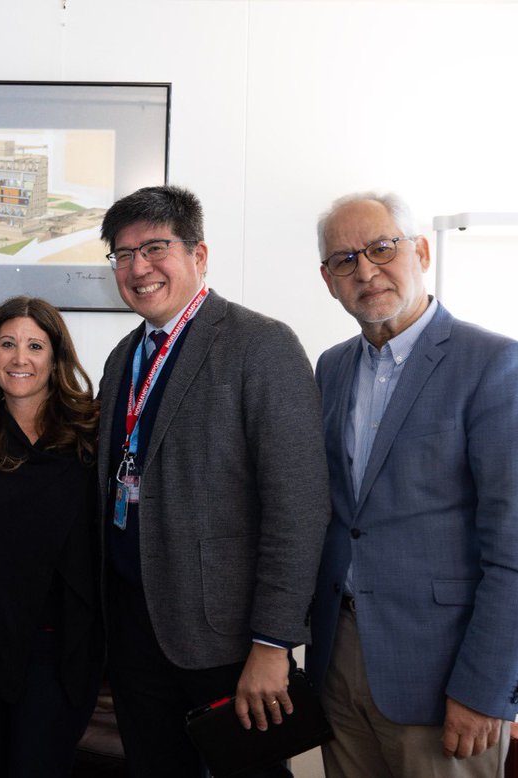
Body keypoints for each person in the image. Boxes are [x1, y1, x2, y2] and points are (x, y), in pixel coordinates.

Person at [95, 185, 330, 777]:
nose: (138, 267)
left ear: (200, 255)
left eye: (155, 247)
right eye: (122, 255)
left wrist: (273, 645)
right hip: (134, 628)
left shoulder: (260, 345)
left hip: (226, 638)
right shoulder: (124, 356)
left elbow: (298, 506)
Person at [307, 192, 518, 777]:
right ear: (328, 280)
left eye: (381, 248)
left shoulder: (494, 364)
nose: (366, 270)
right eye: (345, 259)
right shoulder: (331, 367)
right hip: (340, 655)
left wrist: (485, 689)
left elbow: (514, 547)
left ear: (420, 250)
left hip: (444, 671)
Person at [0, 296, 104, 777]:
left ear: (56, 357)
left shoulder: (90, 433)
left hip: (60, 648)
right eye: (8, 344)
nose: (20, 358)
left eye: (35, 346)